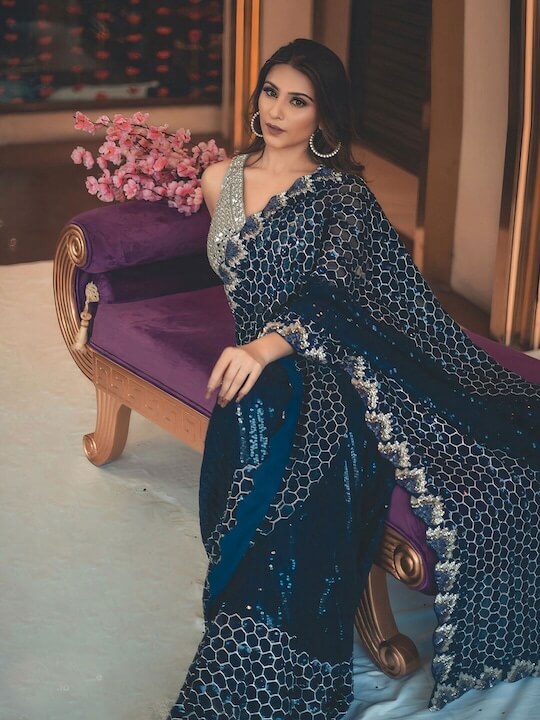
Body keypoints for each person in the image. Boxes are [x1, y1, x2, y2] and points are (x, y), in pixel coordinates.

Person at [165, 38, 540, 719]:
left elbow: (333, 296)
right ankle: (245, 619)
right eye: (271, 92)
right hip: (260, 357)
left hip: (330, 362)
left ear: (324, 116)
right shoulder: (220, 179)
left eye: (298, 101)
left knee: (274, 415)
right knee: (251, 408)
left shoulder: (341, 196)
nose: (277, 110)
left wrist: (265, 348)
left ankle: (275, 658)